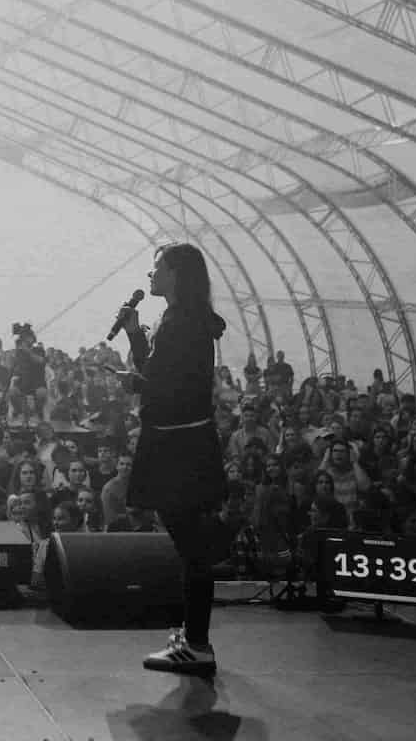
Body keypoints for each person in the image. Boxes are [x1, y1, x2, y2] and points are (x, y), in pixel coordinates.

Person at [120, 243, 229, 675]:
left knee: (192, 547)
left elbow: (164, 387)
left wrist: (135, 385)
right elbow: (162, 375)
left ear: (176, 275)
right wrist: (134, 335)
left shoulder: (180, 323)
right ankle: (194, 636)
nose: (150, 275)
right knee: (191, 544)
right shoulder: (184, 319)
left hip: (177, 448)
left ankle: (197, 644)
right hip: (187, 443)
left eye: (157, 268)